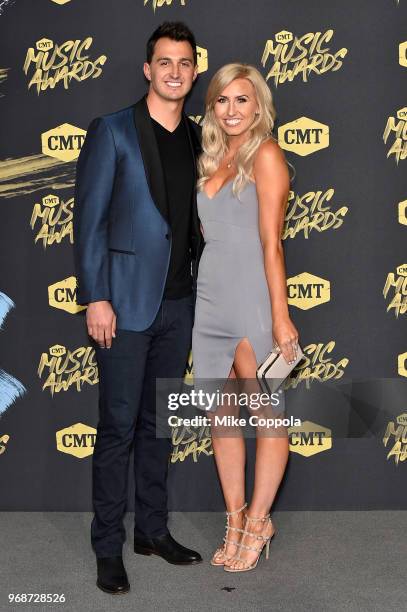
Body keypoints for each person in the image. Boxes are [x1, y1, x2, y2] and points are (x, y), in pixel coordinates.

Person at [74, 21, 203, 595]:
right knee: (118, 430)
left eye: (185, 63)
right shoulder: (114, 131)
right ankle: (108, 546)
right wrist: (95, 296)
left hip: (180, 306)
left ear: (194, 72)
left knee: (160, 428)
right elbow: (89, 222)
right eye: (164, 62)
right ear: (148, 69)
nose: (174, 71)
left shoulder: (200, 137)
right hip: (123, 307)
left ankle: (152, 531)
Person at [192, 63, 299, 572]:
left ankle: (259, 522)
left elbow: (271, 244)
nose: (232, 110)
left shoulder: (268, 155)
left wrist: (280, 317)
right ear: (212, 107)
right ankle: (234, 519)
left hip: (251, 296)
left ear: (258, 105)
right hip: (210, 297)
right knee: (220, 413)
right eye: (222, 100)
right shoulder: (212, 157)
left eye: (242, 100)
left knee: (263, 412)